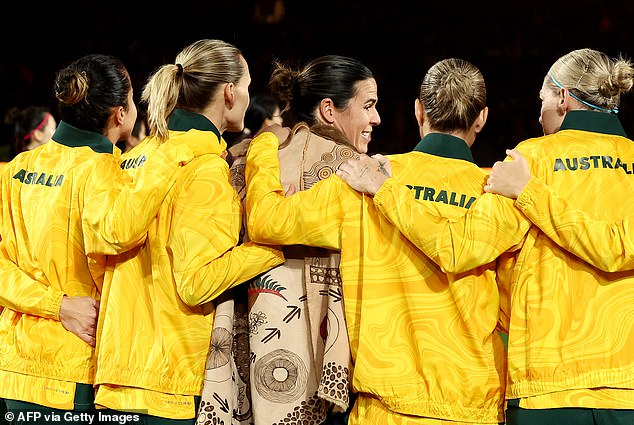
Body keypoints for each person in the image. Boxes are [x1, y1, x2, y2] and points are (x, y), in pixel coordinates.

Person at [339, 48, 634, 425]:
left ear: (562, 98)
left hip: (549, 390)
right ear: (481, 118)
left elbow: (460, 248)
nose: (538, 112)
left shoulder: (528, 163)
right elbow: (618, 248)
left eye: (542, 99)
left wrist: (387, 190)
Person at [243, 58, 513, 424]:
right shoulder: (498, 196)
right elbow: (512, 312)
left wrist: (262, 150)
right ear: (481, 118)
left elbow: (266, 222)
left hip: (383, 408)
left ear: (419, 111)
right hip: (473, 407)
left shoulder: (363, 179)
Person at [92, 39, 284, 425]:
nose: (248, 96)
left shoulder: (137, 156)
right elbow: (195, 282)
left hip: (118, 377)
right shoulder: (203, 168)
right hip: (168, 383)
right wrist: (271, 248)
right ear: (229, 92)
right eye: (246, 86)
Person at [0, 54, 192, 424]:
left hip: (15, 370)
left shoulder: (16, 170)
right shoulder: (109, 174)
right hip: (76, 370)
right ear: (121, 114)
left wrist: (54, 305)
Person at [200, 54, 380, 425]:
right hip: (319, 376)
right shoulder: (357, 173)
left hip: (238, 364)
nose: (376, 118)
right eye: (369, 105)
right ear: (329, 110)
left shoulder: (237, 158)